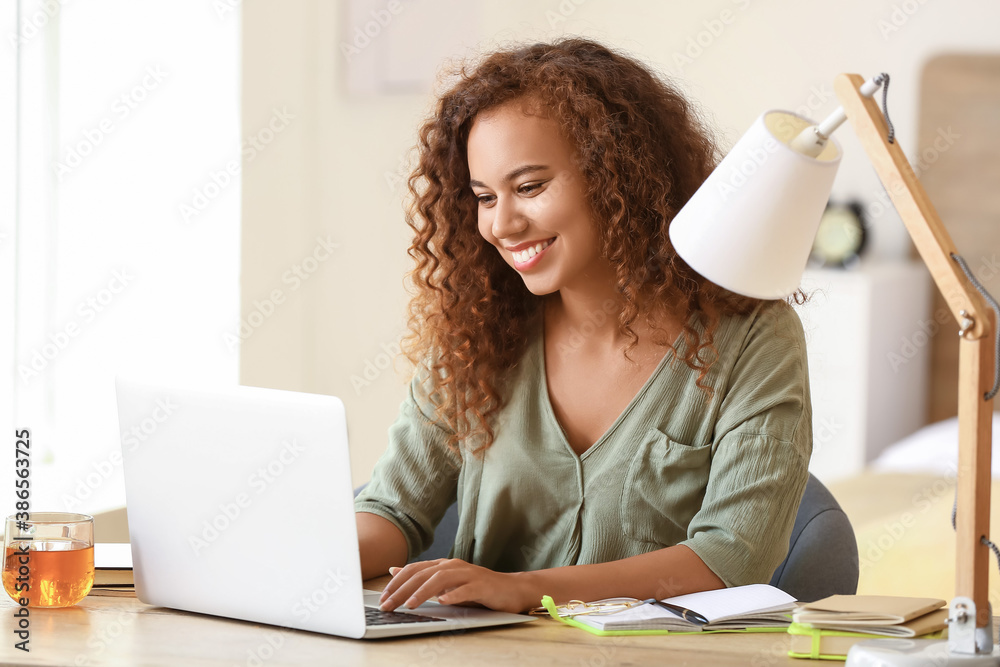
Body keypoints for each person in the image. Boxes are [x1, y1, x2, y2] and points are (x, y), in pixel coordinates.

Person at [355, 37, 812, 614]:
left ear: (618, 173)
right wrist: (290, 553)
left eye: (529, 187)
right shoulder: (479, 334)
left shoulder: (752, 337)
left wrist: (525, 590)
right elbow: (393, 511)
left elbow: (732, 559)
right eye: (483, 197)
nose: (502, 224)